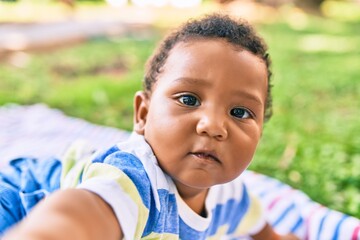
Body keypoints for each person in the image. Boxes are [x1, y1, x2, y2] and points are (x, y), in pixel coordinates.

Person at [3, 13, 299, 240]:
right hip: (20, 200)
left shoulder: (229, 196)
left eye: (239, 111)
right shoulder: (132, 182)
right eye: (188, 98)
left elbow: (259, 225)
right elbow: (72, 216)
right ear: (143, 114)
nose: (213, 125)